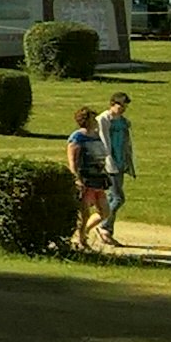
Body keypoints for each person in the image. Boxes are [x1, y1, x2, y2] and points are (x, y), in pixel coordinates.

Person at [65, 107, 108, 251]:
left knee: (105, 212)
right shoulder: (77, 137)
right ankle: (81, 239)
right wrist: (76, 178)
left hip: (98, 179)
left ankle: (84, 233)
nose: (95, 121)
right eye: (92, 118)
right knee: (85, 214)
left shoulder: (96, 136)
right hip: (85, 180)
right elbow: (72, 160)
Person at [96, 93, 135, 246]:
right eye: (120, 105)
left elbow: (127, 143)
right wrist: (107, 161)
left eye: (125, 106)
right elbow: (103, 141)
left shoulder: (123, 122)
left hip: (120, 163)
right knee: (118, 198)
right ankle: (103, 225)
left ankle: (106, 231)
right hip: (109, 164)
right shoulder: (104, 119)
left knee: (112, 198)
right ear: (112, 103)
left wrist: (127, 162)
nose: (123, 108)